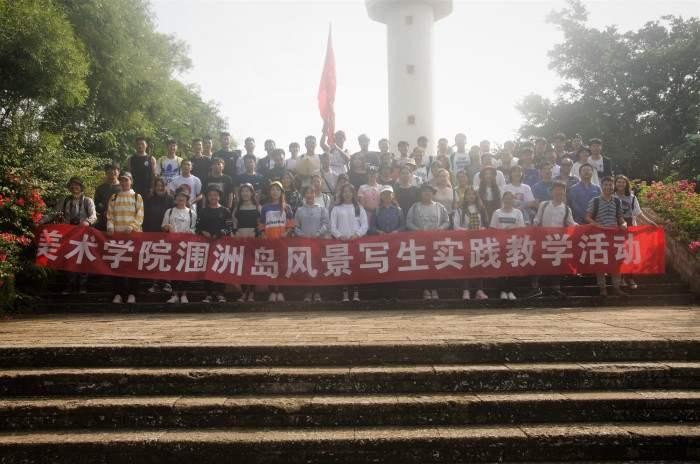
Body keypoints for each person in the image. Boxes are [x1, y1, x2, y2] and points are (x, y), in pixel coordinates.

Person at [50, 177, 97, 295]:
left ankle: (82, 285)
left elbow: (93, 216)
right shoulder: (65, 200)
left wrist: (87, 222)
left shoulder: (88, 201)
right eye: (72, 185)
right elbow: (53, 213)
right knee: (69, 258)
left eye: (77, 185)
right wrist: (41, 220)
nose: (74, 187)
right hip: (69, 233)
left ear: (81, 187)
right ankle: (69, 285)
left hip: (83, 234)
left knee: (83, 259)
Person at [532, 181, 577, 298]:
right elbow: (537, 218)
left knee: (557, 264)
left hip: (558, 241)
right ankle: (535, 287)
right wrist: (534, 225)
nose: (559, 193)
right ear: (552, 192)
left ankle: (556, 288)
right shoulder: (544, 205)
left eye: (561, 191)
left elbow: (572, 224)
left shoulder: (566, 209)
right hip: (543, 239)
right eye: (556, 191)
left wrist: (584, 228)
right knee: (540, 262)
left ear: (564, 193)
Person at [585, 176, 628, 297]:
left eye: (610, 185)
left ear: (613, 186)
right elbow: (587, 217)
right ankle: (602, 288)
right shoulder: (595, 201)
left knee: (616, 262)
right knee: (601, 262)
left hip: (614, 236)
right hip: (599, 236)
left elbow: (620, 217)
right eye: (606, 185)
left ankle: (616, 287)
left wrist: (624, 224)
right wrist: (596, 224)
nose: (608, 187)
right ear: (601, 186)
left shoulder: (617, 201)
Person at [406, 183, 450, 300]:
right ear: (421, 194)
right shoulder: (415, 207)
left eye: (429, 191)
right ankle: (425, 289)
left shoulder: (439, 207)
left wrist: (440, 228)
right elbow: (409, 222)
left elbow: (447, 221)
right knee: (423, 265)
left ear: (433, 193)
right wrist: (418, 230)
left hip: (436, 241)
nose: (427, 193)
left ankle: (434, 289)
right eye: (424, 191)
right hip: (420, 242)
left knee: (435, 264)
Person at [106, 171, 144, 304]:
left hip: (133, 237)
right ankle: (118, 293)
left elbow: (140, 215)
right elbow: (110, 215)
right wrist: (110, 226)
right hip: (117, 238)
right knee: (117, 265)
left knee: (133, 265)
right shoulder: (114, 197)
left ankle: (133, 293)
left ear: (131, 181)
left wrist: (132, 226)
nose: (123, 182)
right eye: (121, 180)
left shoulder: (137, 197)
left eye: (126, 180)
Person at [330, 184, 369, 302]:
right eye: (344, 191)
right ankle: (345, 292)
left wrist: (357, 234)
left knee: (355, 267)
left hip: (355, 242)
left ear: (353, 193)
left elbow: (365, 225)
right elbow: (332, 226)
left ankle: (356, 292)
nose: (347, 194)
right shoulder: (336, 208)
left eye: (349, 191)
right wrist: (339, 235)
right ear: (341, 194)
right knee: (344, 268)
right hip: (341, 243)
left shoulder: (359, 208)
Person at [294, 185, 330, 303]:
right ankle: (308, 292)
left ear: (315, 194)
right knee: (307, 267)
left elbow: (326, 224)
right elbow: (296, 227)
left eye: (312, 192)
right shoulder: (299, 210)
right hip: (304, 244)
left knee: (318, 267)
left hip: (318, 243)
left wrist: (318, 233)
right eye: (307, 193)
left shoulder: (321, 209)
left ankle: (318, 292)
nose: (309, 195)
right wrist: (302, 235)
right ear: (304, 195)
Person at [259, 181, 294, 302]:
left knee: (282, 267)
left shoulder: (287, 207)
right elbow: (261, 224)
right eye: (272, 189)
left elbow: (291, 224)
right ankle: (272, 291)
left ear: (282, 192)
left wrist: (286, 233)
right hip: (269, 242)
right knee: (271, 267)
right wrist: (263, 234)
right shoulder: (265, 207)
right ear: (269, 192)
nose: (275, 192)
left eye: (277, 189)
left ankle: (281, 292)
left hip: (283, 242)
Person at [453, 188, 489, 300]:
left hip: (478, 241)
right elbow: (456, 226)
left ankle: (479, 290)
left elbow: (486, 225)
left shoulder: (481, 209)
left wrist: (480, 230)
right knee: (466, 265)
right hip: (465, 241)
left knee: (479, 264)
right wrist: (468, 231)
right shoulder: (460, 210)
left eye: (473, 194)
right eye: (468, 194)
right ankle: (466, 290)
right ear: (465, 196)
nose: (471, 196)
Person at [197, 186, 231, 303]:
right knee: (207, 269)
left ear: (219, 197)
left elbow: (229, 227)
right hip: (206, 244)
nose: (213, 197)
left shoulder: (225, 211)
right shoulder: (203, 211)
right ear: (207, 197)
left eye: (215, 195)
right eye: (210, 195)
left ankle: (221, 293)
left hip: (221, 245)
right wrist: (203, 232)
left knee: (221, 268)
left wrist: (220, 233)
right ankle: (208, 294)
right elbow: (197, 227)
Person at [162, 188, 197, 304]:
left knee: (185, 270)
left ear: (187, 199)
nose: (181, 198)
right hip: (173, 244)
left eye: (183, 197)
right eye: (178, 196)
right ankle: (175, 294)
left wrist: (190, 232)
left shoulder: (192, 213)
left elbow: (194, 229)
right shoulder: (169, 211)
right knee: (174, 270)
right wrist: (167, 227)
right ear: (175, 198)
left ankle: (184, 294)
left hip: (187, 245)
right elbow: (163, 227)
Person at [490, 191, 525, 300]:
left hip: (514, 245)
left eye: (510, 198)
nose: (508, 200)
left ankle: (511, 291)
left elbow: (522, 227)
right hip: (500, 244)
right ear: (502, 199)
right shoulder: (497, 212)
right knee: (501, 268)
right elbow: (492, 229)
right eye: (506, 198)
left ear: (513, 200)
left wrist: (513, 227)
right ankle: (502, 291)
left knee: (512, 268)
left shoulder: (518, 212)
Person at [143, 177, 174, 295]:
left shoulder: (171, 199)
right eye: (157, 185)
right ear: (154, 187)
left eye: (162, 185)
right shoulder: (149, 199)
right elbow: (145, 216)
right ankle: (155, 283)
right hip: (152, 232)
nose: (160, 188)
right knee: (155, 257)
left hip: (167, 233)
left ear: (166, 186)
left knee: (167, 257)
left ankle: (167, 282)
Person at [614, 174, 644, 289]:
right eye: (618, 182)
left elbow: (638, 213)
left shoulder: (632, 198)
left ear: (626, 184)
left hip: (630, 228)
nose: (621, 184)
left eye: (623, 182)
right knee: (618, 254)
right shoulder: (611, 196)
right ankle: (620, 278)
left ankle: (630, 277)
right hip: (615, 228)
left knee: (630, 253)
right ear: (615, 184)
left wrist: (651, 222)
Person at [231, 183, 259, 302]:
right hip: (240, 241)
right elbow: (233, 223)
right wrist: (235, 233)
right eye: (243, 191)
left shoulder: (258, 207)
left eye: (247, 191)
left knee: (252, 267)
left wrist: (256, 233)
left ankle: (251, 293)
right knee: (241, 267)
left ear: (252, 193)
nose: (245, 193)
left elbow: (261, 224)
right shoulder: (237, 208)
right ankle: (243, 293)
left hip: (253, 240)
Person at [94, 164, 122, 231]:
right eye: (110, 170)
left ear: (119, 172)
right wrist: (104, 210)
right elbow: (97, 203)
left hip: (121, 219)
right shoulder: (100, 188)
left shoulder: (123, 188)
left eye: (114, 170)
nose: (112, 172)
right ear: (106, 173)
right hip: (104, 219)